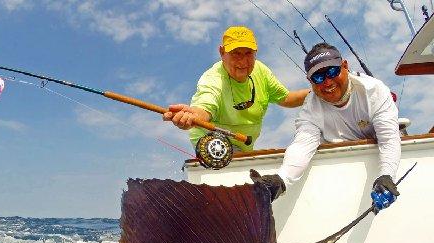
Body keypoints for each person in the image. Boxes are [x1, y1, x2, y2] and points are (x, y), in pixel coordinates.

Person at [251, 42, 401, 213]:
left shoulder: (374, 90)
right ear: (310, 81)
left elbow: (388, 139)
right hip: (338, 177)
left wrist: (387, 175)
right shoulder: (310, 108)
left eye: (332, 71)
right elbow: (302, 145)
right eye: (319, 78)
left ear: (345, 66)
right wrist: (281, 180)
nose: (328, 82)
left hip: (375, 165)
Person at [162, 26, 310, 151]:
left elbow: (286, 99)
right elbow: (205, 107)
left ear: (255, 53)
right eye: (236, 53)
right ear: (222, 53)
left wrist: (318, 91)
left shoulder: (261, 71)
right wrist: (194, 116)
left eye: (248, 54)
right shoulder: (212, 79)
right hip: (213, 142)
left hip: (244, 146)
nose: (243, 61)